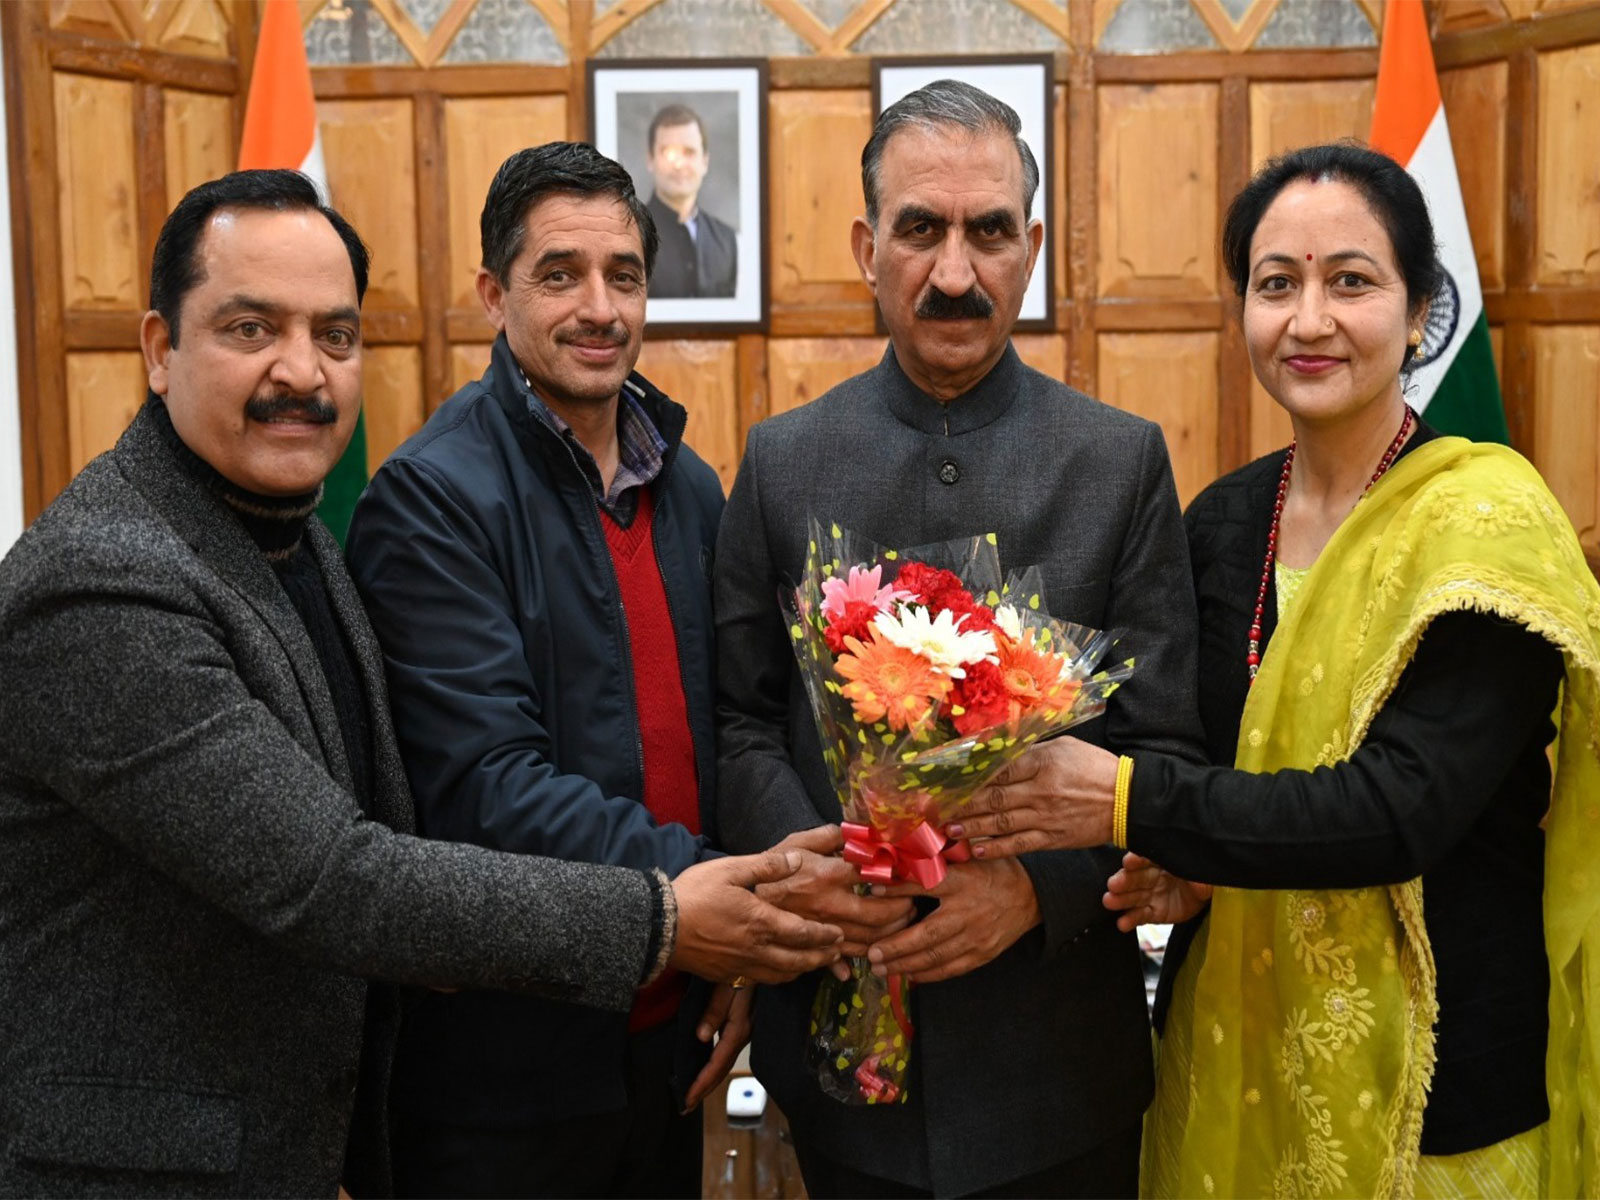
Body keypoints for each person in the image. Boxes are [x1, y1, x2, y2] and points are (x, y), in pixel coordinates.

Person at [0, 168, 844, 1199]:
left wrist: (733, 926)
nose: (301, 371)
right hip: (152, 1159)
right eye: (250, 329)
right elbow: (336, 876)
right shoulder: (105, 581)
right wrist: (680, 916)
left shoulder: (292, 538)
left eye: (335, 335)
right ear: (158, 348)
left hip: (551, 1070)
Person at [952, 143, 1600, 1198]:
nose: (1309, 320)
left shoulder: (1484, 527)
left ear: (1420, 309)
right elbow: (1218, 769)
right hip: (1235, 1061)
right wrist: (1188, 868)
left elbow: (1399, 809)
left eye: (1351, 281)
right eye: (1275, 284)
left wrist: (1130, 802)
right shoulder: (1222, 522)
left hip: (1440, 1096)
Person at [714, 80, 1206, 1198]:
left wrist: (1040, 891)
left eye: (988, 232)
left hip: (1056, 1069)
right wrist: (821, 869)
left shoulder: (1119, 461)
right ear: (866, 248)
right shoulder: (783, 459)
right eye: (919, 230)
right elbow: (739, 716)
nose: (953, 272)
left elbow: (1166, 750)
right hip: (839, 1057)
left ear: (1030, 247)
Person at [343, 141, 817, 1198]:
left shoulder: (688, 485)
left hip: (669, 1040)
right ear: (493, 295)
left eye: (623, 275)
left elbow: (733, 726)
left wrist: (734, 930)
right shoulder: (430, 500)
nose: (599, 308)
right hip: (509, 1067)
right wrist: (720, 900)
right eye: (560, 275)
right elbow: (485, 789)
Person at [644, 103, 737, 298]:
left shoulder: (727, 241)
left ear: (705, 162)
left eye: (689, 152)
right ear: (650, 159)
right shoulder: (628, 234)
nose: (679, 164)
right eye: (668, 152)